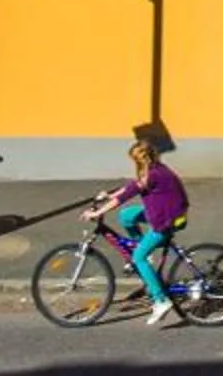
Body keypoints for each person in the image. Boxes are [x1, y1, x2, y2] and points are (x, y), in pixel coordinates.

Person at [85, 135, 189, 326]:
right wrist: (108, 195)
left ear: (140, 159)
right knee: (126, 216)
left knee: (138, 257)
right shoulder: (156, 168)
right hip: (162, 211)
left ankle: (161, 300)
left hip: (167, 220)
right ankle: (145, 252)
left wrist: (97, 212)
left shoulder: (152, 175)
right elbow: (130, 188)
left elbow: (124, 196)